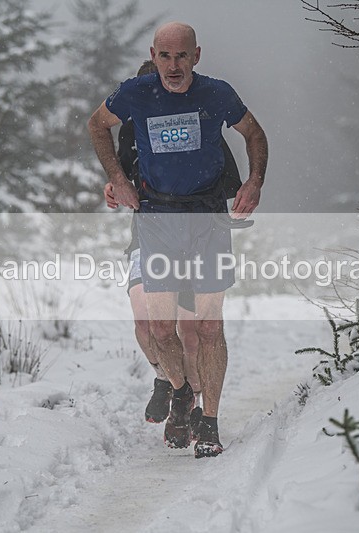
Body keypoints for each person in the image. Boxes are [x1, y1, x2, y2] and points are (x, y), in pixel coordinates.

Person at [89, 22, 268, 458]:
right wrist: (116, 179)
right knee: (161, 329)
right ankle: (180, 390)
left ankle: (210, 422)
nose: (173, 66)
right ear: (153, 57)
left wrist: (254, 183)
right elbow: (97, 126)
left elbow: (254, 134)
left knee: (208, 326)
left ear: (196, 56)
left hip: (207, 218)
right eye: (165, 57)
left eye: (181, 56)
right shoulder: (136, 95)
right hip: (156, 221)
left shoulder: (215, 93)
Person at [104, 59, 244, 435]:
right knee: (147, 321)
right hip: (148, 233)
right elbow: (122, 169)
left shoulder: (193, 120)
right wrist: (115, 185)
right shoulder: (130, 126)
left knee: (193, 333)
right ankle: (168, 381)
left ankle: (193, 406)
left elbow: (227, 177)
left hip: (197, 234)